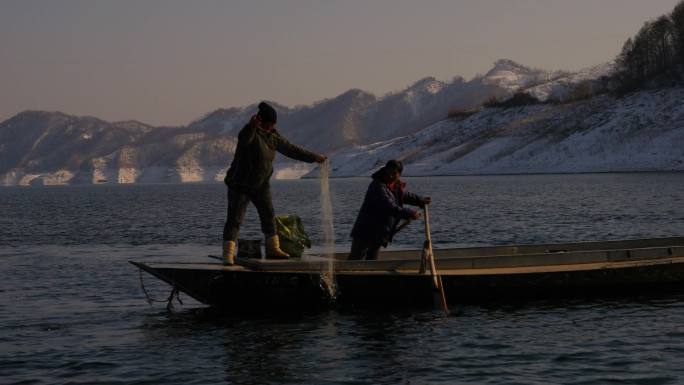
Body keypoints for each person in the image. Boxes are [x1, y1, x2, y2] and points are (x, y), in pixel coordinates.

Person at [222, 102, 326, 265]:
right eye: (269, 124)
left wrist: (314, 157)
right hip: (240, 184)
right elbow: (243, 140)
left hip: (261, 185)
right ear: (261, 122)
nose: (271, 127)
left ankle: (273, 248)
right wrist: (251, 126)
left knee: (268, 214)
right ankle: (227, 253)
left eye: (273, 124)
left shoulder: (273, 137)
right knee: (235, 219)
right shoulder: (250, 133)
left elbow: (291, 149)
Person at [349, 160, 431, 260]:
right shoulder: (377, 186)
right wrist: (410, 213)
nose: (390, 175)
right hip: (365, 232)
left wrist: (420, 200)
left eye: (394, 173)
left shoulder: (394, 185)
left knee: (371, 264)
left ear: (399, 174)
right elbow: (388, 206)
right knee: (355, 261)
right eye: (388, 172)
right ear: (385, 171)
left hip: (379, 234)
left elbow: (404, 196)